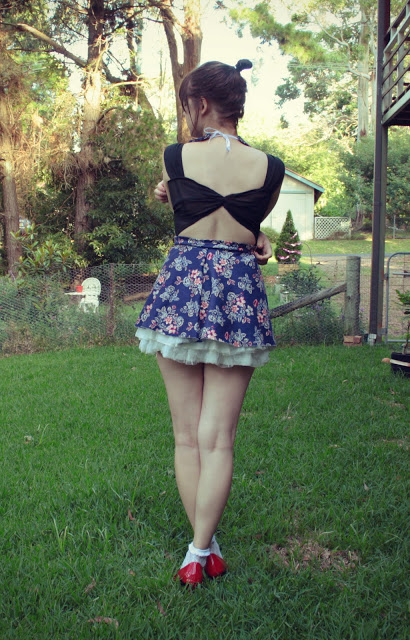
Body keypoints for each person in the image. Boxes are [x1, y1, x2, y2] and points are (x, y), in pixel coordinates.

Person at [135, 59, 285, 586]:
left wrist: (167, 190)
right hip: (239, 294)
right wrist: (259, 239)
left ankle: (200, 549)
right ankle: (202, 548)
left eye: (188, 107)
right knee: (218, 437)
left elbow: (188, 207)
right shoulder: (272, 168)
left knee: (186, 436)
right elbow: (249, 225)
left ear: (199, 104)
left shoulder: (175, 157)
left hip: (180, 291)